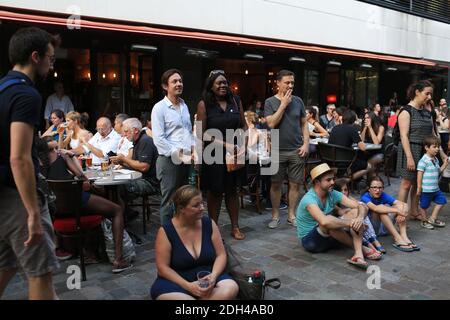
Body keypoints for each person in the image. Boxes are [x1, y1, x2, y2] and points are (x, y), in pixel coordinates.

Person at [0, 27, 59, 300]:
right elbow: (19, 157)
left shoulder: (2, 89)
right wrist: (33, 213)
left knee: (5, 266)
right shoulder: (27, 95)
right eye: (50, 58)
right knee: (40, 274)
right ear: (36, 57)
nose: (51, 64)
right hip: (17, 198)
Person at [35, 138, 132, 273]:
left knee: (99, 204)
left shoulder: (36, 167)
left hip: (56, 211)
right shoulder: (62, 159)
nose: (57, 151)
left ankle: (90, 251)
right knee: (117, 210)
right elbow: (83, 180)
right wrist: (70, 157)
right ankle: (119, 259)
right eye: (54, 149)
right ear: (49, 151)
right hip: (76, 203)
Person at [150, 185, 239, 300]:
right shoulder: (166, 231)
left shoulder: (208, 223)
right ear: (181, 208)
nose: (202, 208)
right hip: (177, 279)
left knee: (230, 288)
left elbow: (221, 255)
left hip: (208, 274)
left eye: (202, 203)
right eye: (196, 205)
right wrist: (189, 286)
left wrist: (213, 276)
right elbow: (162, 268)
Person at [196, 70, 247, 240]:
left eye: (225, 82)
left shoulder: (235, 100)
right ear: (211, 86)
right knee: (215, 192)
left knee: (232, 191)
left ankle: (235, 227)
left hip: (235, 153)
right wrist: (226, 144)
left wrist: (243, 146)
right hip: (214, 154)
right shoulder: (204, 104)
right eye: (218, 83)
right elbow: (201, 133)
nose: (223, 85)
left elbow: (244, 126)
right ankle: (213, 229)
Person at [296, 164, 370, 269]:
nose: (333, 182)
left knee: (354, 212)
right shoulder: (309, 199)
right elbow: (324, 222)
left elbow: (361, 205)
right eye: (328, 180)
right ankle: (363, 248)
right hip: (311, 241)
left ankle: (358, 254)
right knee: (328, 221)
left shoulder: (332, 193)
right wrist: (351, 223)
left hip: (329, 237)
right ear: (317, 182)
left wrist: (359, 218)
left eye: (333, 179)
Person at [264, 69, 309, 229]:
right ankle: (275, 215)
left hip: (297, 149)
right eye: (287, 82)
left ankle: (291, 214)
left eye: (292, 83)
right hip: (276, 150)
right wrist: (283, 105)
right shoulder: (270, 102)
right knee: (276, 184)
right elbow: (271, 123)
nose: (290, 85)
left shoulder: (299, 101)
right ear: (278, 83)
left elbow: (304, 124)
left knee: (295, 184)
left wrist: (306, 143)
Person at [396, 80, 447, 221]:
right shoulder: (406, 111)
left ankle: (414, 210)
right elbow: (403, 136)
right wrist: (410, 157)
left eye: (431, 93)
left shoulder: (426, 112)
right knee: (406, 183)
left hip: (425, 151)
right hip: (410, 149)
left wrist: (442, 153)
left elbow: (433, 135)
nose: (430, 97)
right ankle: (399, 213)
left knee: (418, 184)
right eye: (427, 93)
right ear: (417, 92)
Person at [152, 69, 194, 225]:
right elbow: (159, 139)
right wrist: (178, 154)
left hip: (186, 158)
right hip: (169, 160)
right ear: (165, 86)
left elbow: (187, 132)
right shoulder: (159, 108)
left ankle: (182, 233)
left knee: (184, 199)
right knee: (169, 202)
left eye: (180, 81)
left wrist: (193, 149)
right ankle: (167, 238)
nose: (179, 84)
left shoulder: (184, 105)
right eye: (174, 81)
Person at [360, 176, 417, 252]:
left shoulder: (383, 195)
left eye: (380, 188)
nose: (377, 190)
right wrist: (397, 211)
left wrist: (401, 213)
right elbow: (375, 208)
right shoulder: (365, 197)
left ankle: (404, 236)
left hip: (385, 227)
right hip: (373, 231)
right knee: (382, 208)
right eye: (374, 187)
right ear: (369, 189)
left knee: (400, 206)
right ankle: (397, 238)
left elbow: (404, 205)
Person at [110, 118, 159, 203]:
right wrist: (121, 162)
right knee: (114, 185)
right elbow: (135, 164)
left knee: (119, 187)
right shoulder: (137, 141)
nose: (124, 135)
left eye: (126, 131)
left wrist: (124, 159)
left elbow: (144, 167)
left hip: (150, 182)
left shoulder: (145, 141)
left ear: (135, 130)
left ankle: (122, 212)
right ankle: (123, 211)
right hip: (141, 177)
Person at [334, 179, 384, 256]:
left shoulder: (348, 198)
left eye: (345, 190)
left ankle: (373, 240)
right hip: (343, 227)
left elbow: (363, 206)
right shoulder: (334, 201)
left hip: (356, 225)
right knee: (357, 215)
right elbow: (341, 212)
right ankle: (370, 243)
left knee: (361, 212)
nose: (343, 192)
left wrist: (359, 214)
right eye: (340, 191)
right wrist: (353, 211)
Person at [329, 109, 370, 180]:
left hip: (332, 160)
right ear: (354, 120)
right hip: (346, 161)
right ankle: (347, 181)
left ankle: (347, 180)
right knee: (369, 166)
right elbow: (363, 148)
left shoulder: (335, 128)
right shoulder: (352, 129)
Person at [417, 136, 448, 229]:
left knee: (442, 201)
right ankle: (424, 221)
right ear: (426, 147)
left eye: (438, 146)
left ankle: (432, 218)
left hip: (435, 189)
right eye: (434, 147)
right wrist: (419, 187)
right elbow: (419, 174)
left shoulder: (435, 159)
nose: (437, 149)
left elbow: (438, 171)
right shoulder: (423, 161)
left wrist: (445, 164)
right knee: (423, 206)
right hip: (426, 189)